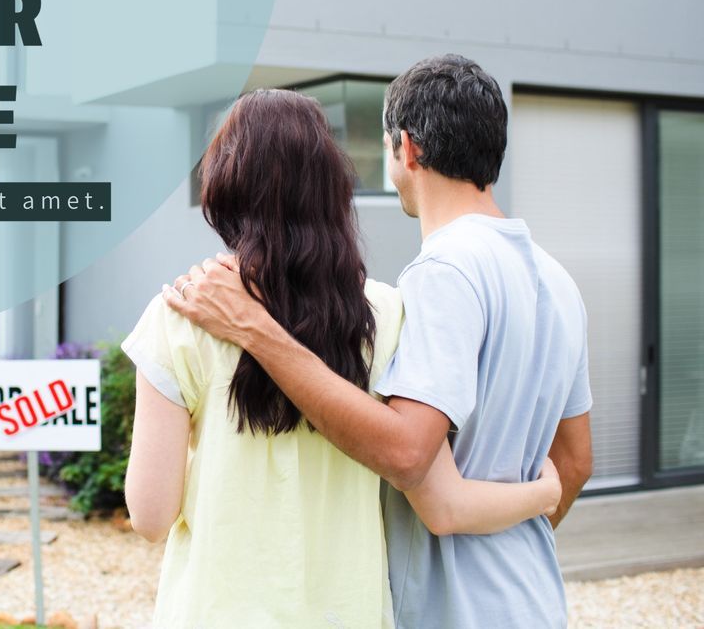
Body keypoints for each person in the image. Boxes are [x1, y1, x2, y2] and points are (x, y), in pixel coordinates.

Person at [165, 56, 594, 628]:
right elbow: (576, 461)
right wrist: (528, 513)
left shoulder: (443, 272)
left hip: (450, 609)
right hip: (533, 596)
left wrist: (256, 330)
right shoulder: (557, 280)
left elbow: (408, 454)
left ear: (406, 148)